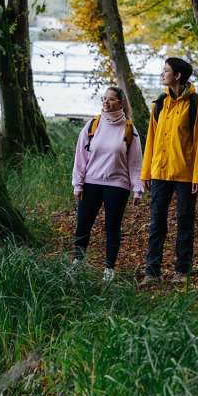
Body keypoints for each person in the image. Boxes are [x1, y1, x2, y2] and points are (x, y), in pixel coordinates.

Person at [140, 57, 198, 285]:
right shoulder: (159, 104)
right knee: (156, 222)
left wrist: (197, 175)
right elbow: (151, 139)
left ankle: (182, 271)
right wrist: (146, 172)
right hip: (159, 172)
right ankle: (152, 272)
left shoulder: (196, 104)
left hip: (185, 174)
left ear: (177, 76)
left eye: (166, 71)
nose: (162, 74)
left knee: (185, 221)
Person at [71, 86, 143, 281]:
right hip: (91, 182)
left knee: (112, 227)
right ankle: (78, 263)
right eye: (104, 99)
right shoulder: (92, 125)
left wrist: (138, 188)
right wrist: (78, 184)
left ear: (120, 103)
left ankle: (109, 269)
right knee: (83, 224)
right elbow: (80, 157)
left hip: (118, 185)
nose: (106, 102)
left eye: (110, 99)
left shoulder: (129, 129)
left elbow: (135, 162)